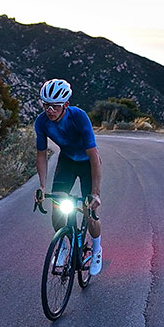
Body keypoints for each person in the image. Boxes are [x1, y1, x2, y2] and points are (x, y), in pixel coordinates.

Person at [34, 78, 103, 276]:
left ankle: (97, 249)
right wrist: (42, 187)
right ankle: (65, 244)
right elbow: (41, 155)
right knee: (57, 211)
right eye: (45, 105)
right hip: (67, 162)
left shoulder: (79, 117)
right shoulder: (42, 122)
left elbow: (94, 156)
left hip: (87, 163)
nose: (49, 110)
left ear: (65, 104)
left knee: (89, 213)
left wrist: (95, 193)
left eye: (54, 106)